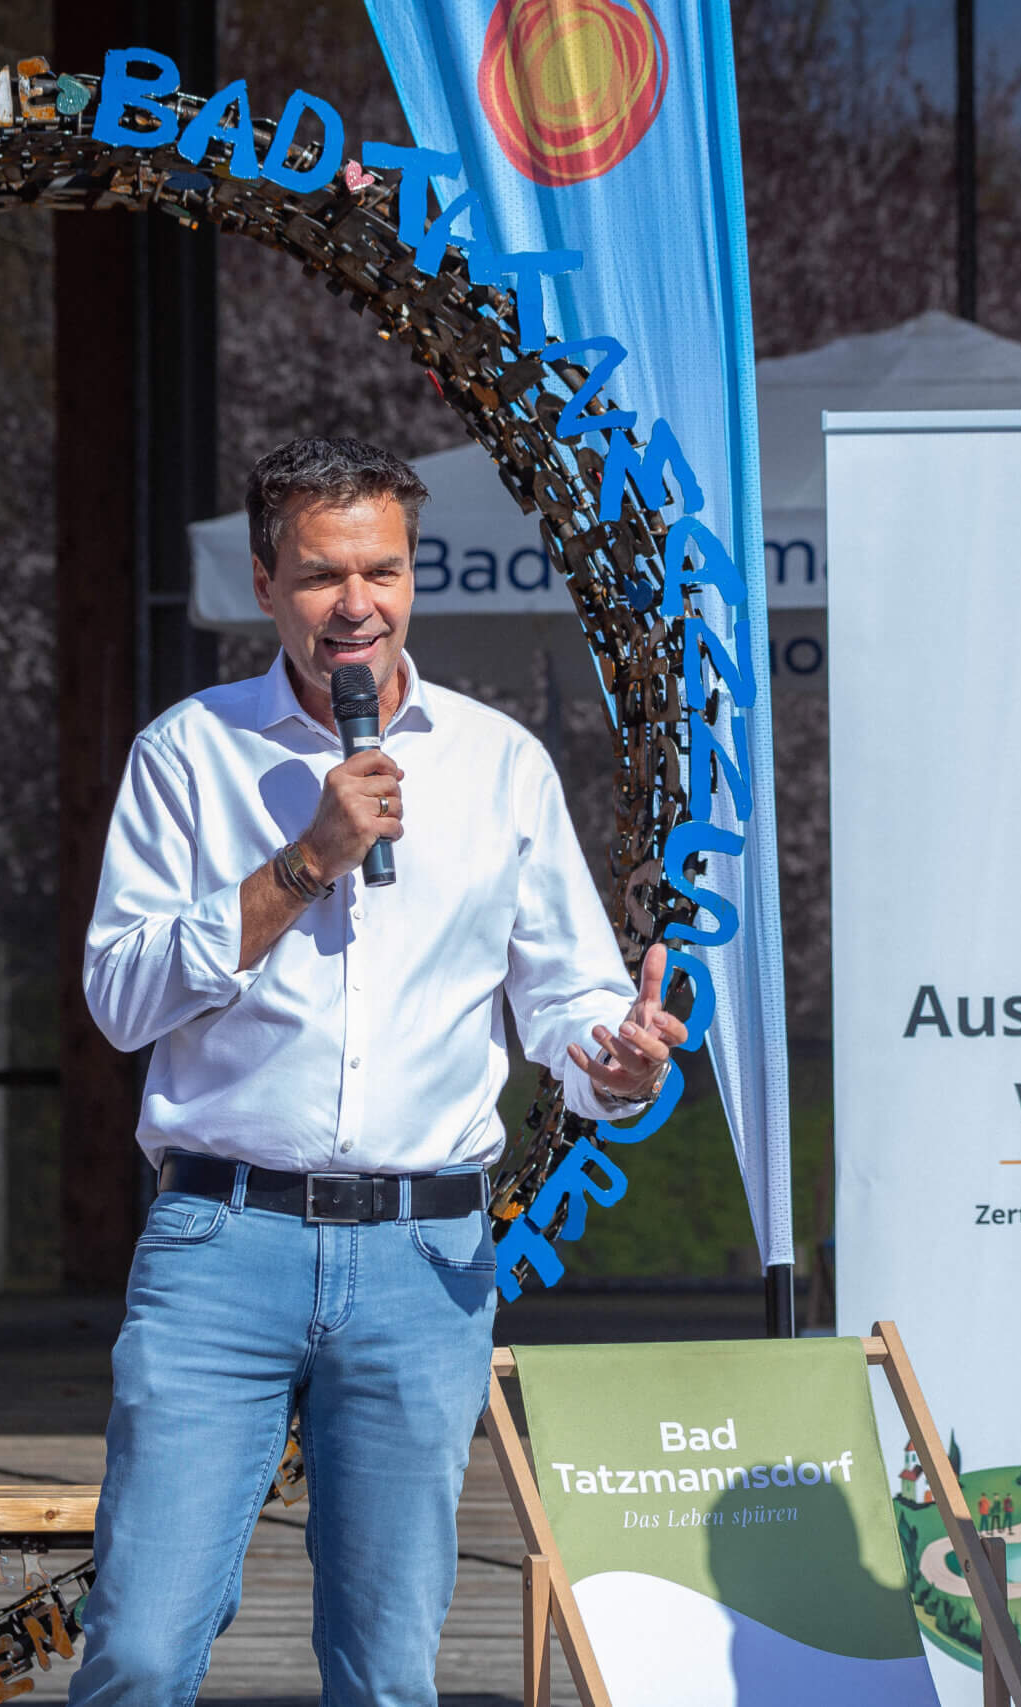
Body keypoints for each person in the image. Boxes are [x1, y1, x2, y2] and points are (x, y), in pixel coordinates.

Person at [71, 437, 684, 1706]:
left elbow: (562, 998)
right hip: (220, 1240)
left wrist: (613, 1063)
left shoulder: (497, 761)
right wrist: (307, 861)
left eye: (383, 571)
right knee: (137, 1651)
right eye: (319, 574)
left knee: (389, 1672)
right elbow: (121, 998)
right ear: (263, 582)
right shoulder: (188, 754)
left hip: (424, 1262)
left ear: (414, 577)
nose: (355, 603)